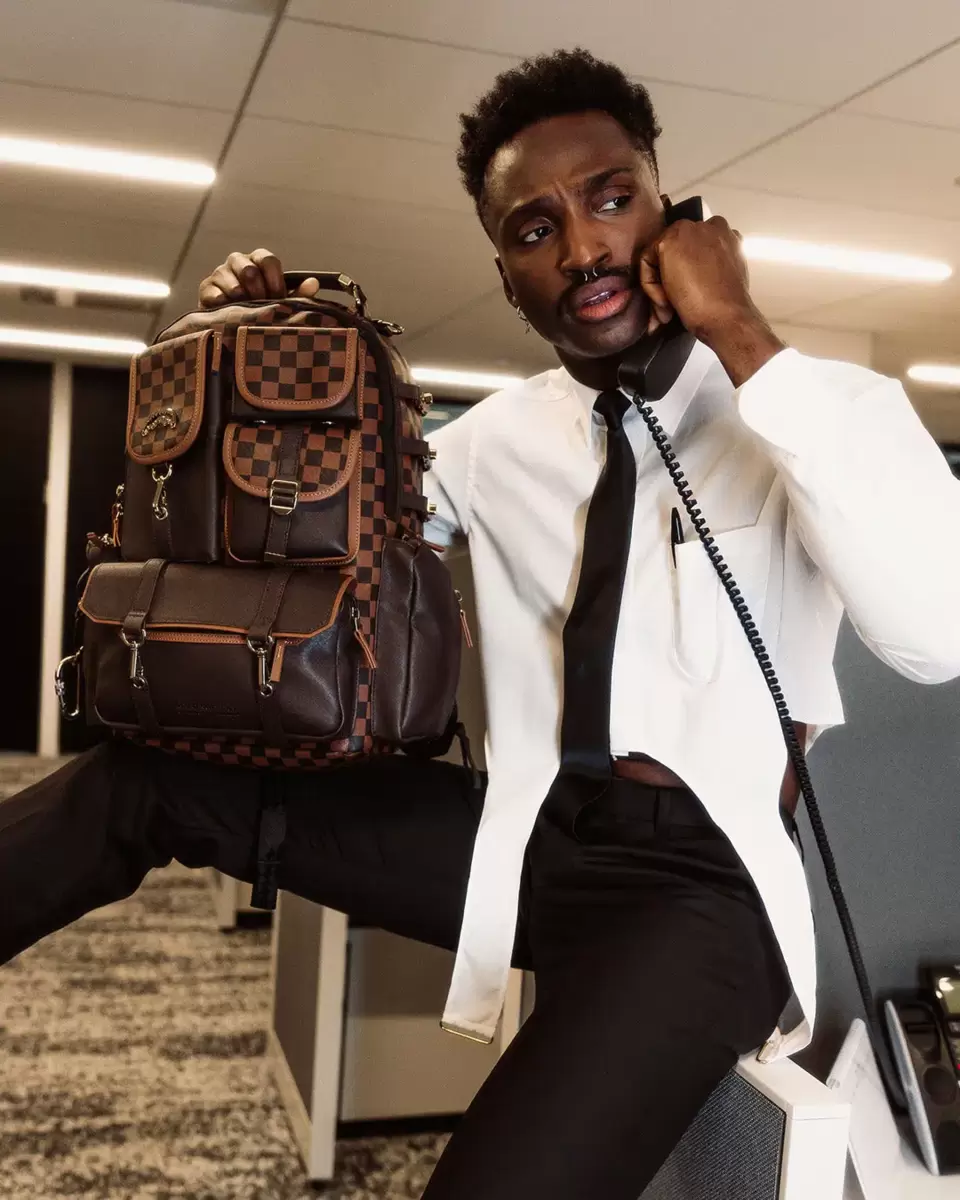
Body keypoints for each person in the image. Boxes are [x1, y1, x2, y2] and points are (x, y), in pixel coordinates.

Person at [3, 48, 960, 1199]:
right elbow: (300, 553)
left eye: (611, 198)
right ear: (509, 278)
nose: (583, 247)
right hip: (524, 839)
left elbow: (934, 635)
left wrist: (741, 330)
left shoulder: (818, 408)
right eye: (535, 229)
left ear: (670, 213)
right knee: (143, 784)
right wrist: (255, 370)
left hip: (702, 889)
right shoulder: (492, 439)